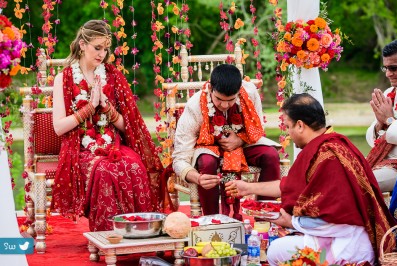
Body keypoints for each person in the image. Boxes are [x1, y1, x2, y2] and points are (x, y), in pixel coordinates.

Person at [225, 93, 396, 265]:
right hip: (345, 239)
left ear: (300, 125)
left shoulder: (327, 156)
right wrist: (247, 188)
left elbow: (335, 221)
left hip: (347, 247)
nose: (289, 134)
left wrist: (292, 222)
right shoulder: (332, 145)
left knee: (275, 250)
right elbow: (289, 186)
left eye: (288, 127)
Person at [51, 20, 164, 231]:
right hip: (81, 149)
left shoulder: (113, 76)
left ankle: (142, 231)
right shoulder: (63, 78)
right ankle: (107, 237)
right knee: (103, 170)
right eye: (97, 47)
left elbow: (127, 126)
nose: (101, 54)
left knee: (134, 165)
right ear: (82, 45)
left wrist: (107, 108)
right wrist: (90, 107)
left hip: (114, 144)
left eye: (105, 48)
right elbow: (59, 128)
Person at [172, 64, 280, 219]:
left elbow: (258, 127)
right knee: (206, 162)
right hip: (209, 148)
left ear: (239, 90)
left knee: (270, 155)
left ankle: (265, 217)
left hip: (242, 144)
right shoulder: (195, 106)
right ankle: (213, 221)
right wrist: (198, 178)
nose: (224, 105)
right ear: (210, 88)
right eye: (219, 99)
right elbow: (180, 157)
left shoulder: (249, 93)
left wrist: (240, 140)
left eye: (230, 100)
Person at [366, 39, 397, 193]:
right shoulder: (389, 94)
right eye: (385, 68)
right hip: (385, 162)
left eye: (393, 68)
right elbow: (374, 140)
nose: (388, 74)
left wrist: (389, 120)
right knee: (348, 175)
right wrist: (379, 125)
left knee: (363, 183)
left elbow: (392, 129)